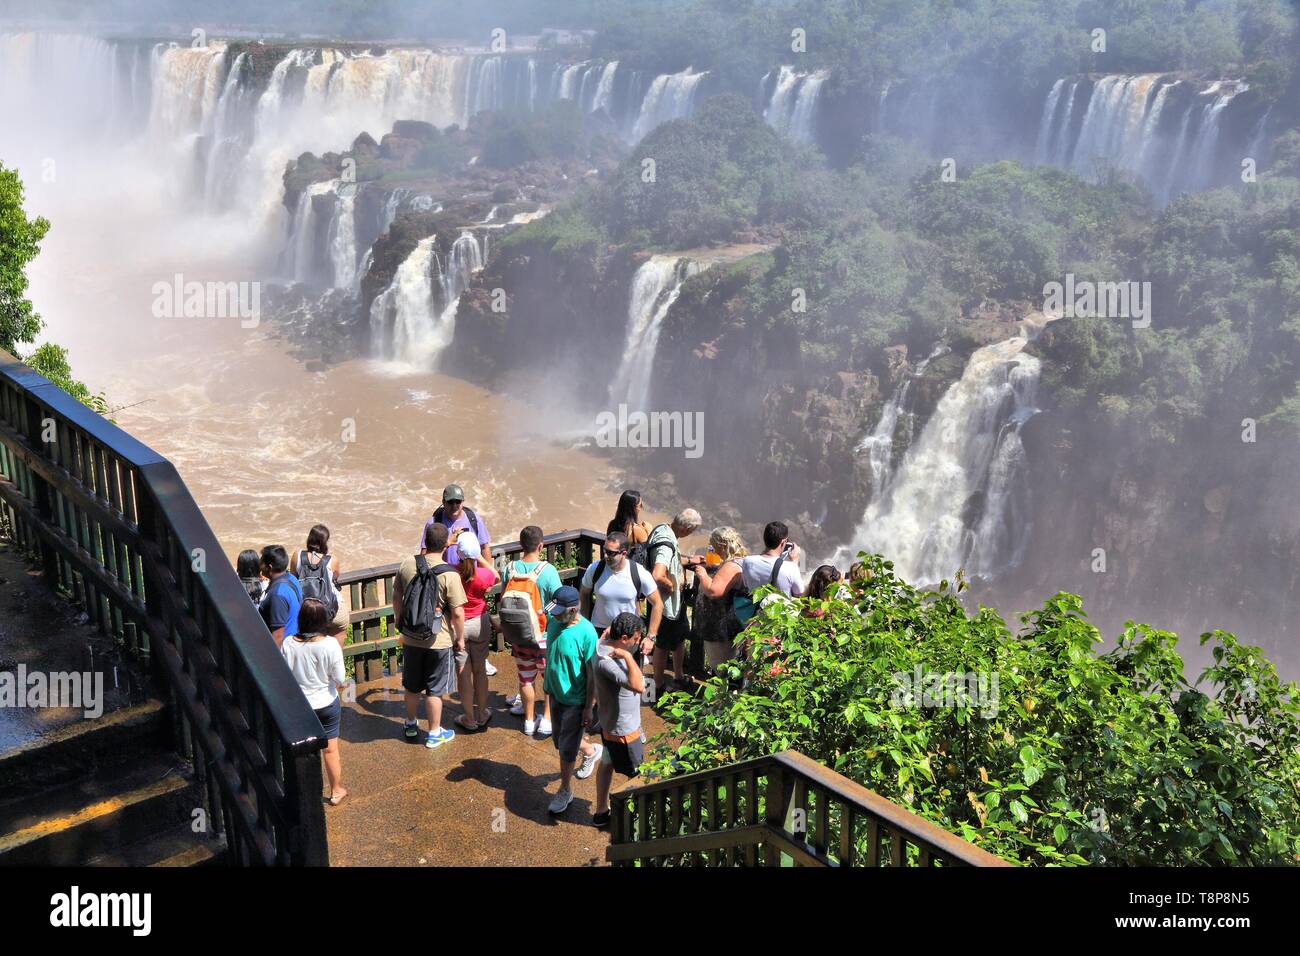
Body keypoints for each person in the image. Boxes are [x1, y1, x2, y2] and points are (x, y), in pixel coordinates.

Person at [392, 522, 466, 750]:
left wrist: (398, 620)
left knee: (412, 686)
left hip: (412, 636)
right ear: (446, 545)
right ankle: (434, 733)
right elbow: (457, 612)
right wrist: (459, 639)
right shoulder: (450, 574)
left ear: (425, 540)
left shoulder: (407, 564)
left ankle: (411, 723)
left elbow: (396, 593)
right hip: (438, 640)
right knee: (435, 689)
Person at [281, 598, 348, 805]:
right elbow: (340, 679)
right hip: (326, 702)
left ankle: (303, 795)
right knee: (330, 749)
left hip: (300, 706)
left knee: (302, 751)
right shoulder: (330, 645)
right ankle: (336, 790)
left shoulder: (288, 643)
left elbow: (284, 676)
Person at [541, 585, 602, 815]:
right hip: (555, 695)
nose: (553, 615)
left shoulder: (587, 633)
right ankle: (589, 751)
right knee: (559, 741)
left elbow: (592, 675)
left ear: (574, 610)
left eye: (558, 611)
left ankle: (565, 790)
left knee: (566, 749)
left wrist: (588, 707)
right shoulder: (555, 620)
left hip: (575, 701)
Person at [502, 525, 563, 736]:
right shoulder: (548, 571)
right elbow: (559, 601)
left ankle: (528, 721)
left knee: (526, 678)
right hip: (544, 636)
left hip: (519, 636)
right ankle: (546, 719)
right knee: (549, 680)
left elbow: (504, 597)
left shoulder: (509, 568)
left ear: (521, 545)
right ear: (541, 545)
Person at [589, 612, 647, 827]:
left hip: (608, 724)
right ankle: (638, 819)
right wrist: (628, 656)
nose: (638, 642)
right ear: (623, 639)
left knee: (606, 764)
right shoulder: (608, 662)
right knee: (639, 777)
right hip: (623, 732)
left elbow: (602, 639)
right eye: (636, 639)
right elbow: (639, 686)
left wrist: (607, 640)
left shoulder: (600, 646)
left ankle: (601, 811)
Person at [648, 508, 702, 692]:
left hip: (674, 604)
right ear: (687, 529)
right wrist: (670, 585)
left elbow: (670, 561)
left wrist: (688, 561)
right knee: (662, 644)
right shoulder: (666, 543)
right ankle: (658, 686)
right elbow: (657, 574)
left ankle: (678, 676)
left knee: (679, 637)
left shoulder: (663, 529)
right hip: (665, 606)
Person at [453, 530, 498, 732]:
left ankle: (469, 719)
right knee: (480, 670)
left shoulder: (452, 573)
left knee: (463, 672)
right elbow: (496, 575)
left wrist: (448, 544)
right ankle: (482, 714)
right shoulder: (483, 575)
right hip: (480, 622)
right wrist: (480, 557)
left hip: (459, 625)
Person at [580, 532, 663, 636]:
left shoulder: (638, 572)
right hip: (598, 630)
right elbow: (584, 593)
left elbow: (658, 604)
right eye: (604, 550)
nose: (605, 556)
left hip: (627, 633)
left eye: (611, 553)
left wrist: (651, 637)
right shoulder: (595, 569)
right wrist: (584, 624)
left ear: (624, 553)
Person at [690, 527, 748, 670]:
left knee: (721, 668)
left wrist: (702, 574)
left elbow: (713, 591)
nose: (711, 548)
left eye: (712, 544)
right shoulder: (741, 560)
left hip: (722, 628)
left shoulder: (731, 566)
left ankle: (723, 691)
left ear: (722, 545)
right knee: (730, 666)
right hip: (732, 625)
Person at [290, 524, 348, 647]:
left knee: (309, 647)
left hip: (307, 611)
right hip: (331, 610)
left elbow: (293, 578)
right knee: (337, 642)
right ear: (325, 541)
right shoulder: (332, 560)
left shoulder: (297, 556)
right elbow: (335, 577)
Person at [417, 483, 492, 567]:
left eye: (458, 502)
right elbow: (425, 553)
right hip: (445, 576)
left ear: (463, 502)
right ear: (443, 502)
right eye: (450, 502)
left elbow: (484, 547)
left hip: (469, 575)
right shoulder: (434, 523)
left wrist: (487, 574)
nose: (454, 505)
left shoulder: (474, 519)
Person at [259, 545, 302, 647]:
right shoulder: (292, 578)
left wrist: (272, 661)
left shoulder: (277, 594)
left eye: (261, 562)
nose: (259, 565)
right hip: (296, 642)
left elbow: (278, 635)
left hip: (284, 650)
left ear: (269, 567)